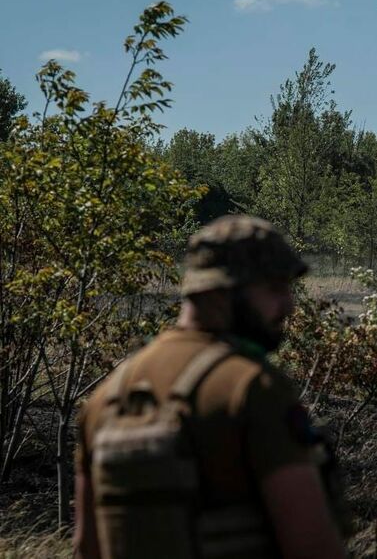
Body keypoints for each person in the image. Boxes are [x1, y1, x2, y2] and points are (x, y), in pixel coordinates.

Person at [73, 215, 348, 559]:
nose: (289, 305)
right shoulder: (252, 387)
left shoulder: (106, 397)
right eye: (274, 289)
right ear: (221, 292)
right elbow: (311, 547)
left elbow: (88, 546)